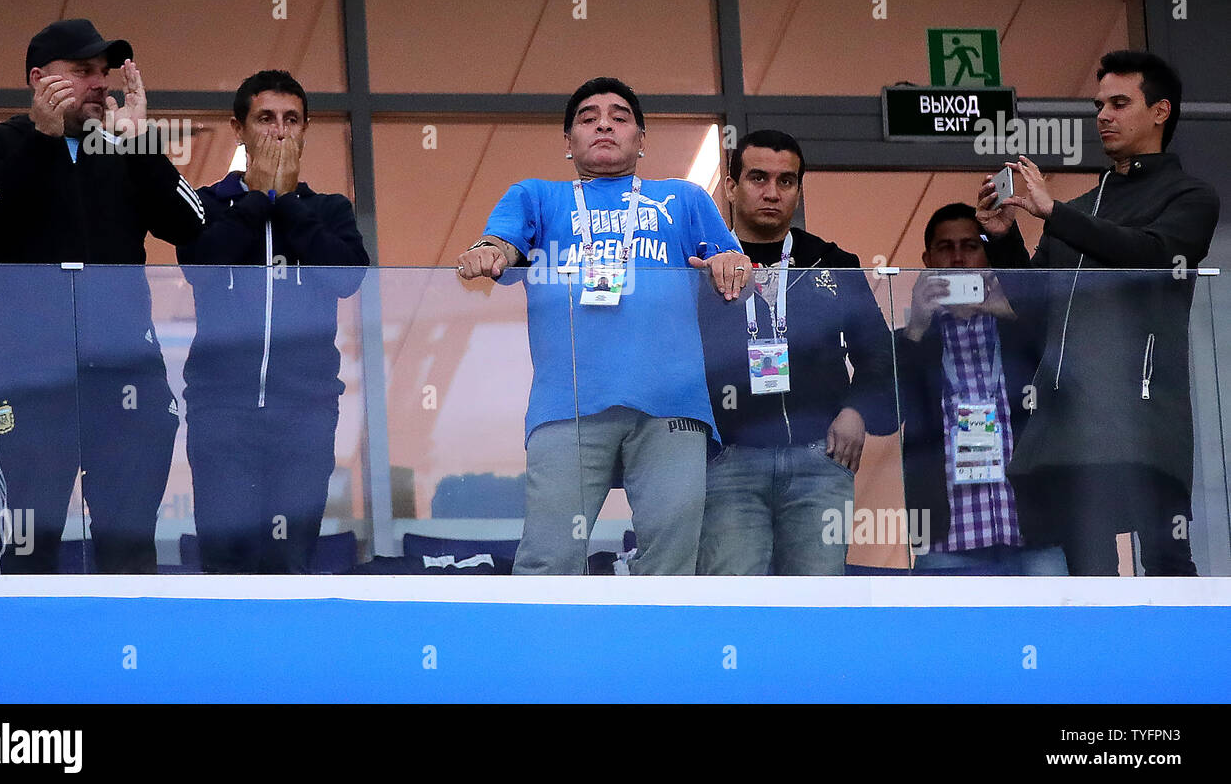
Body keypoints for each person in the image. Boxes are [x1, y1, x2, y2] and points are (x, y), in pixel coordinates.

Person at [455, 76, 750, 575]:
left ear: (642, 139)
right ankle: (548, 655)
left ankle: (654, 656)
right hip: (568, 401)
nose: (604, 125)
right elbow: (503, 246)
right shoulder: (537, 196)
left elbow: (731, 263)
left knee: (672, 563)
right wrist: (489, 253)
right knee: (550, 558)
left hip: (671, 403)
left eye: (619, 117)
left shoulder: (683, 198)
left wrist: (730, 264)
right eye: (588, 119)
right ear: (568, 143)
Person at [0, 18, 205, 573]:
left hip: (126, 381)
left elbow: (193, 224)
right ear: (38, 78)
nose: (100, 84)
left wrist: (140, 146)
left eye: (104, 73)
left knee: (129, 546)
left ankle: (126, 654)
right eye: (82, 72)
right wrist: (40, 142)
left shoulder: (121, 149)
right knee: (30, 546)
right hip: (32, 379)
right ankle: (28, 657)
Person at [977, 50, 1220, 575]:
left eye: (1118, 103)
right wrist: (1003, 239)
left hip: (1146, 414)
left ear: (1160, 111)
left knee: (1167, 558)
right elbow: (1031, 303)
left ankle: (1175, 662)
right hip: (1071, 422)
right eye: (1098, 105)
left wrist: (1054, 213)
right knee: (1089, 572)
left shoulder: (1191, 196)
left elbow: (1153, 255)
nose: (1103, 116)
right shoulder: (1082, 206)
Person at [177, 70, 368, 573]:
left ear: (305, 131)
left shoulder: (328, 209)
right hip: (222, 411)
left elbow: (347, 277)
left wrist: (286, 205)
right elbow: (201, 266)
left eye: (291, 120)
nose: (279, 132)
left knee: (290, 557)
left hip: (304, 412)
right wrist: (258, 197)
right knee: (225, 558)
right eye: (265, 119)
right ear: (238, 129)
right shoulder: (209, 203)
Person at [696, 129, 896, 575]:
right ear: (730, 187)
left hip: (819, 461)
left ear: (799, 190)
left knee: (817, 607)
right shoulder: (701, 265)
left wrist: (857, 412)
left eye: (786, 181)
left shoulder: (832, 261)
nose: (772, 192)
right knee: (735, 603)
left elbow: (879, 354)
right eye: (758, 178)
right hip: (727, 461)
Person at [896, 203, 1066, 574]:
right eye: (946, 247)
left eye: (971, 246)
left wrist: (1009, 312)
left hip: (1033, 530)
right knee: (951, 635)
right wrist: (916, 328)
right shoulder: (910, 340)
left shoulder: (1023, 329)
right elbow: (884, 415)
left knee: (1052, 632)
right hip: (946, 537)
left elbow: (1066, 380)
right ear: (927, 259)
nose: (958, 258)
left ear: (987, 254)